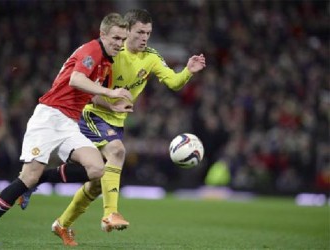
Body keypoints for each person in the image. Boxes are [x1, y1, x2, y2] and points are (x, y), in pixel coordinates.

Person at [19, 9, 206, 246]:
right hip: (92, 113)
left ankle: (61, 223)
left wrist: (188, 71)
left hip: (115, 122)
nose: (144, 37)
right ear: (127, 32)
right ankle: (110, 214)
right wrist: (110, 102)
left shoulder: (151, 57)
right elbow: (86, 90)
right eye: (139, 32)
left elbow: (173, 82)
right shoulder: (110, 54)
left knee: (98, 183)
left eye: (148, 33)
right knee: (117, 151)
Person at [0, 12, 132, 247]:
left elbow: (89, 95)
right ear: (103, 34)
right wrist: (111, 92)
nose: (120, 44)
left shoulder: (106, 63)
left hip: (68, 123)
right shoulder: (92, 50)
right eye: (116, 38)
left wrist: (115, 105)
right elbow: (76, 79)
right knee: (28, 176)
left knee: (97, 169)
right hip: (49, 117)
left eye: (123, 40)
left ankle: (38, 181)